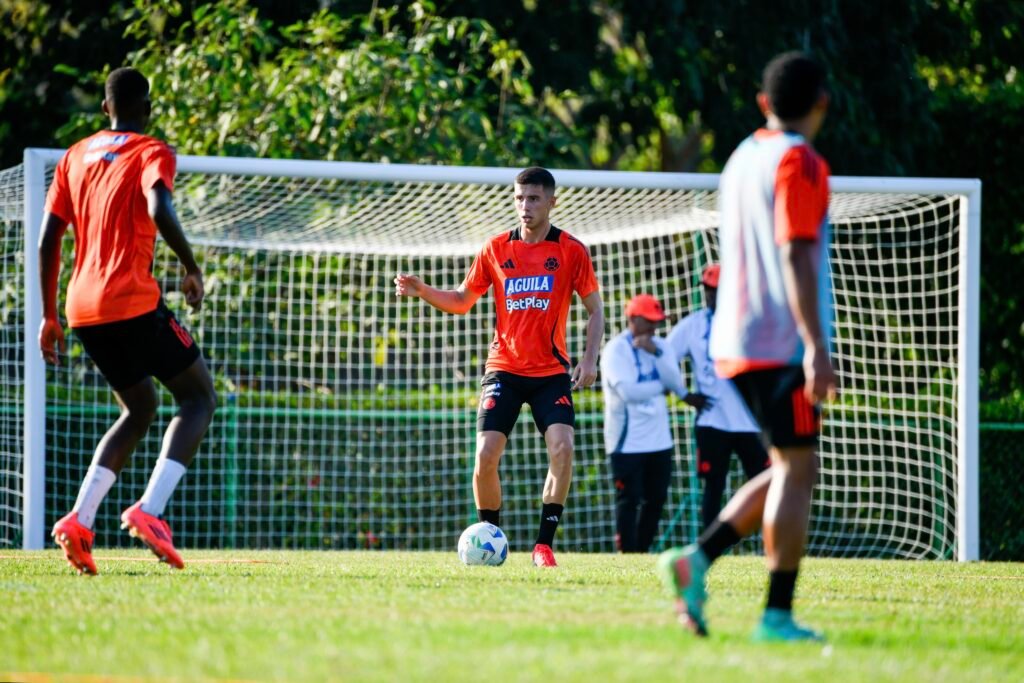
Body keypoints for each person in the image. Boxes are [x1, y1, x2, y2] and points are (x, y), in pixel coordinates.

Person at [657, 51, 837, 642]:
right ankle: (776, 616)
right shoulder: (801, 161)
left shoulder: (741, 158)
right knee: (799, 470)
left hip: (732, 339)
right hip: (778, 342)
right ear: (821, 104)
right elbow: (794, 250)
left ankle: (697, 561)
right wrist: (814, 343)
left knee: (790, 466)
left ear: (763, 103)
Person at [40, 67, 217, 575]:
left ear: (104, 108)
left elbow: (48, 238)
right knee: (199, 396)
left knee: (139, 407)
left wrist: (48, 317)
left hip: (80, 310)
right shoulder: (151, 151)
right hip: (130, 299)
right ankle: (150, 511)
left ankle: (79, 518)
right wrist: (189, 265)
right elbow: (159, 204)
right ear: (147, 108)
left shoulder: (75, 156)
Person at [395, 166, 604, 567]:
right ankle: (488, 536)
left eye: (534, 199)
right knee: (485, 458)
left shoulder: (571, 250)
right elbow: (461, 301)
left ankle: (543, 545)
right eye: (520, 198)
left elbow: (595, 310)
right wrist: (422, 290)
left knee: (563, 448)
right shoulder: (495, 249)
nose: (525, 206)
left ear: (551, 202)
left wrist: (590, 356)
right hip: (504, 369)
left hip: (550, 373)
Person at [666, 264, 770, 530]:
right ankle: (710, 549)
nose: (711, 296)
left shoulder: (752, 322)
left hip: (751, 423)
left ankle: (771, 544)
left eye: (717, 290)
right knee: (714, 486)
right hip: (712, 422)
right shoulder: (693, 325)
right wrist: (684, 394)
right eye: (708, 290)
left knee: (766, 483)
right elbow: (665, 358)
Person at [601, 294, 706, 553]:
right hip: (626, 442)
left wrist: (656, 353)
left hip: (660, 441)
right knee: (629, 500)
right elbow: (628, 392)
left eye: (657, 322)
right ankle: (627, 554)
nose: (654, 328)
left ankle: (642, 551)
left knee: (656, 499)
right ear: (633, 319)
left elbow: (676, 382)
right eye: (649, 321)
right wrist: (661, 388)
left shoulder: (661, 346)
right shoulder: (616, 350)